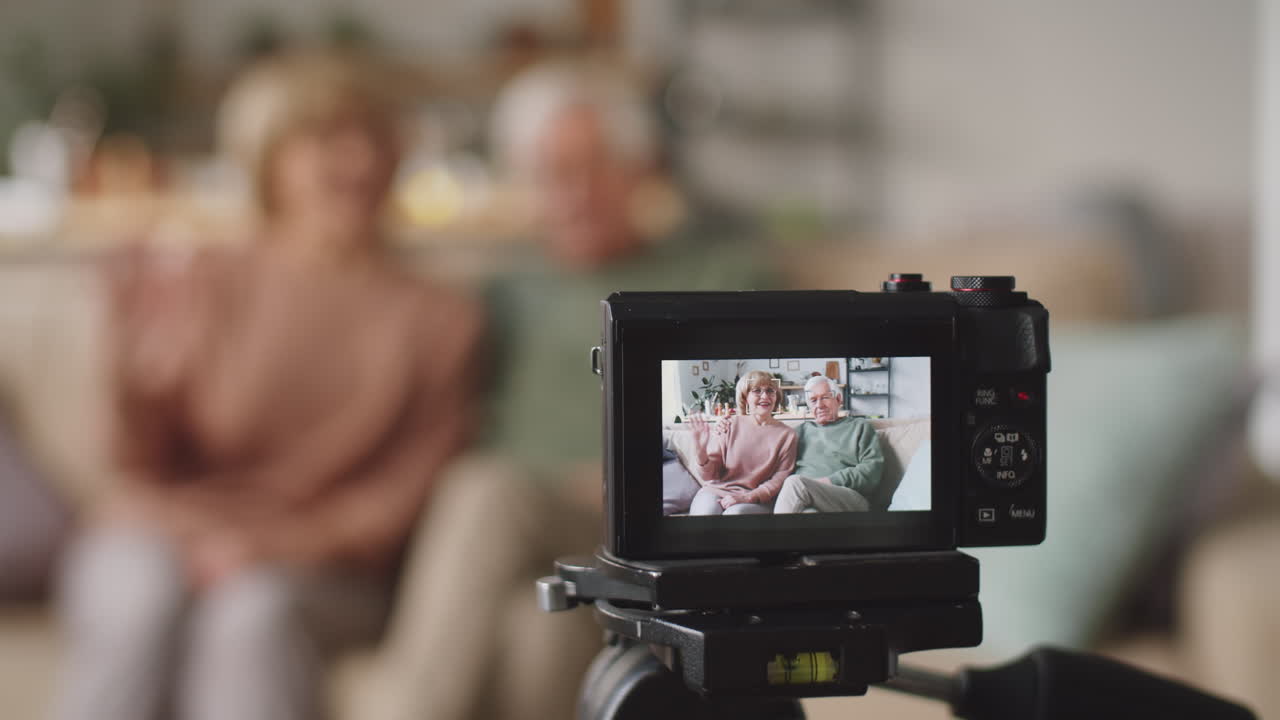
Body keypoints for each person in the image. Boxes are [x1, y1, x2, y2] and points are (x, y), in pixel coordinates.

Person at [55, 52, 484, 720]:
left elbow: (407, 492)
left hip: (319, 568)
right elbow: (133, 463)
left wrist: (270, 549)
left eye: (371, 136)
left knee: (250, 615)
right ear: (269, 164)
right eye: (323, 140)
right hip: (163, 529)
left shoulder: (437, 316)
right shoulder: (206, 277)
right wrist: (127, 379)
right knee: (138, 599)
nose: (357, 159)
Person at [351, 60, 773, 720]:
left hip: (642, 525)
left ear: (638, 169)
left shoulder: (716, 272)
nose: (571, 192)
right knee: (534, 626)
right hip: (525, 546)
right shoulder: (505, 294)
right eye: (549, 174)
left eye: (591, 166)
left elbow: (757, 429)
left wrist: (628, 478)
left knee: (481, 490)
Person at [687, 370, 798, 515]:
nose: (765, 396)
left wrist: (747, 497)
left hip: (756, 498)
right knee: (706, 514)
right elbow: (710, 476)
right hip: (715, 491)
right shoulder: (729, 424)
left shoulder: (788, 435)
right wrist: (700, 450)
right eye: (757, 391)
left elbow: (780, 478)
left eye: (770, 390)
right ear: (745, 397)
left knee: (735, 514)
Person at [774, 375, 885, 514]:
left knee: (795, 483)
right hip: (806, 496)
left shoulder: (859, 427)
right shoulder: (799, 432)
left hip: (849, 497)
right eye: (813, 400)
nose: (819, 405)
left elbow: (872, 471)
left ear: (839, 399)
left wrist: (830, 481)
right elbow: (779, 467)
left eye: (825, 397)